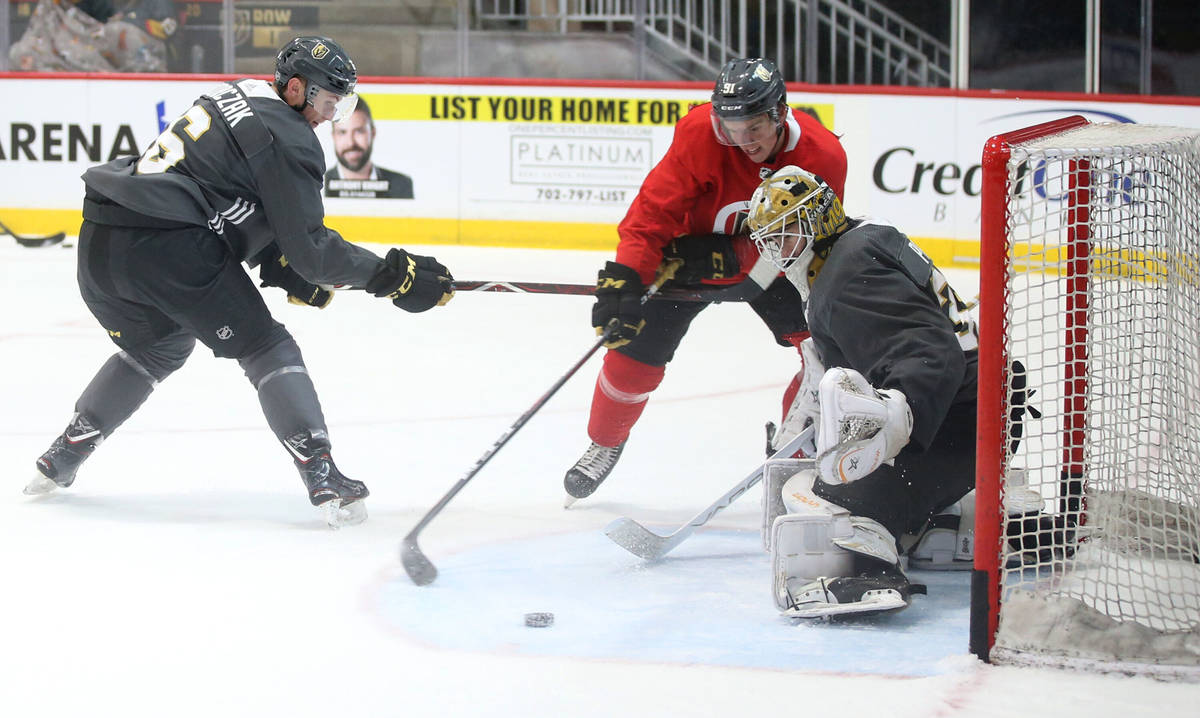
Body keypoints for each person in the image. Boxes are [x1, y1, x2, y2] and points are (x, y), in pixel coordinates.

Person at [24, 36, 455, 528]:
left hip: (101, 241)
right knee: (268, 348)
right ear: (296, 89)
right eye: (329, 101)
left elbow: (221, 185)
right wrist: (391, 277)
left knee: (159, 349)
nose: (331, 115)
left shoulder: (241, 90)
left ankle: (67, 450)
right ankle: (321, 470)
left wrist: (274, 257)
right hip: (169, 249)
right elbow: (312, 250)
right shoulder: (293, 138)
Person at [747, 165, 1052, 618]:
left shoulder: (844, 274)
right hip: (975, 409)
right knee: (825, 478)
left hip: (959, 419)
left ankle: (872, 572)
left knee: (817, 495)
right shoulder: (862, 239)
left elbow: (930, 353)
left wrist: (898, 411)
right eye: (769, 241)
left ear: (818, 222)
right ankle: (944, 521)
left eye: (786, 235)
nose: (778, 251)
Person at [562, 57, 847, 504]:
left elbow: (810, 239)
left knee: (825, 351)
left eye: (753, 126)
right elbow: (651, 213)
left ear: (779, 113)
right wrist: (625, 279)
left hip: (779, 266)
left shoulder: (823, 155)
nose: (742, 140)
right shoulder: (700, 133)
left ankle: (793, 448)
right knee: (630, 357)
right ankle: (605, 440)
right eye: (732, 127)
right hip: (685, 260)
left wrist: (735, 256)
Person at [324, 97, 414, 199]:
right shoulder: (317, 185)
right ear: (333, 136)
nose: (350, 142)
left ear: (373, 133)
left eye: (359, 131)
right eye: (342, 132)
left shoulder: (401, 185)